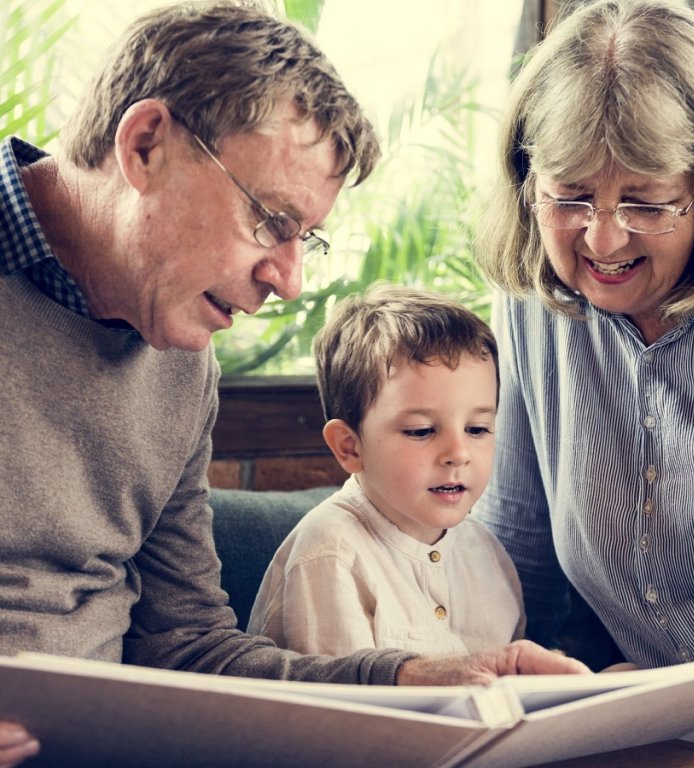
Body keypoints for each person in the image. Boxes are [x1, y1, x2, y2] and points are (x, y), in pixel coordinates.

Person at [0, 2, 589, 765]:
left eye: (304, 238)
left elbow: (190, 648)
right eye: (270, 221)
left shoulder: (181, 363)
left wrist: (424, 680)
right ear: (147, 146)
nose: (288, 281)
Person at [472, 0, 694, 759]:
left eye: (646, 202)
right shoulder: (534, 303)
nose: (602, 240)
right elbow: (520, 549)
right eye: (569, 197)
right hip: (637, 729)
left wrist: (675, 686)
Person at [248, 283, 526, 655]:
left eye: (477, 429)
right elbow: (344, 707)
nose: (458, 453)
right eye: (421, 431)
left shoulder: (488, 553)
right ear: (350, 447)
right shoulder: (330, 553)